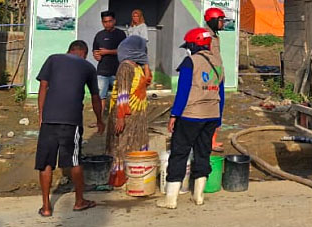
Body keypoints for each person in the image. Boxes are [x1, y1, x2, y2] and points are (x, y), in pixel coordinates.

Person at [35, 40, 105, 217]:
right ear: (85, 54)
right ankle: (79, 201)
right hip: (71, 121)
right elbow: (96, 98)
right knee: (74, 160)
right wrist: (99, 120)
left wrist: (41, 113)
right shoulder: (88, 67)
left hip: (49, 120)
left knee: (46, 162)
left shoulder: (53, 59)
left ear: (68, 51)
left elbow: (43, 86)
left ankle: (46, 207)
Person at [157, 28, 224, 210]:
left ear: (193, 45)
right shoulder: (218, 63)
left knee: (179, 153)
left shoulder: (190, 62)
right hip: (212, 114)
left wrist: (174, 115)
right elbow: (222, 93)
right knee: (203, 153)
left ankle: (170, 200)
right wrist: (218, 119)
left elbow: (183, 91)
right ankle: (199, 196)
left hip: (191, 115)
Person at [106, 35, 153, 187]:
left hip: (132, 115)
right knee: (124, 143)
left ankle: (128, 174)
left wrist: (145, 62)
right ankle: (123, 176)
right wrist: (121, 117)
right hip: (129, 114)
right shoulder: (128, 67)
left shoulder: (132, 67)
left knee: (128, 143)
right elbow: (124, 92)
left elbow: (144, 82)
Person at [203, 7, 227, 151]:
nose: (222, 23)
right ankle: (209, 141)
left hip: (218, 79)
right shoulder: (206, 37)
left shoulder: (214, 36)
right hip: (212, 80)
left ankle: (213, 140)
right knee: (212, 109)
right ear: (212, 21)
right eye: (220, 20)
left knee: (219, 108)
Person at [93, 11, 126, 102]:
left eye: (109, 21)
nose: (107, 24)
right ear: (102, 22)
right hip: (102, 72)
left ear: (114, 21)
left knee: (121, 97)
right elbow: (95, 51)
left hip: (117, 71)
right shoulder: (99, 35)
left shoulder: (121, 34)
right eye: (105, 22)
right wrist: (96, 56)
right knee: (100, 97)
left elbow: (124, 51)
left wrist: (107, 52)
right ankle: (100, 116)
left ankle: (119, 116)